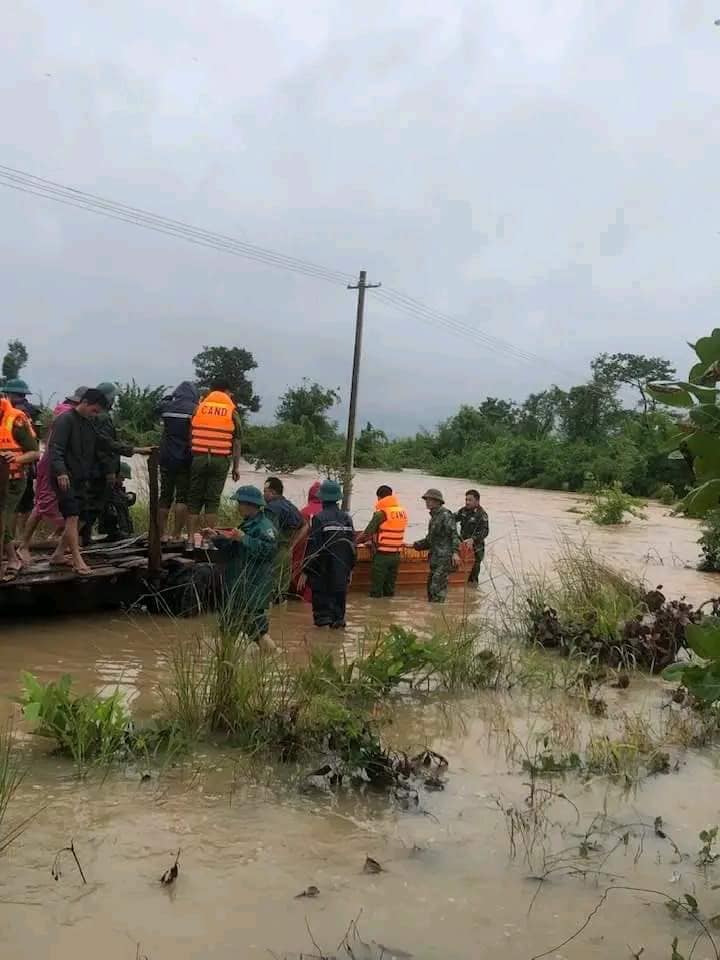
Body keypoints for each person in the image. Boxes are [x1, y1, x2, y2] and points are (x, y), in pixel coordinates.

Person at [48, 388, 151, 574]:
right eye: (94, 410)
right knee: (72, 517)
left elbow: (106, 443)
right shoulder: (65, 420)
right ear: (85, 403)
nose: (95, 414)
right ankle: (77, 559)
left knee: (81, 518)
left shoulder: (89, 424)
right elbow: (55, 449)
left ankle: (58, 554)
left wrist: (135, 450)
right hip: (64, 477)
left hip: (80, 478)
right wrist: (60, 471)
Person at [205, 485, 277, 654]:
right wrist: (216, 537)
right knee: (229, 627)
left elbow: (269, 551)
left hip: (250, 590)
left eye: (239, 503)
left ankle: (272, 658)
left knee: (257, 632)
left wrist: (244, 539)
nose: (237, 507)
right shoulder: (248, 525)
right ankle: (226, 661)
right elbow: (233, 548)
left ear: (248, 505)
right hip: (239, 588)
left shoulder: (264, 526)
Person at [17, 386, 88, 560]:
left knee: (58, 504)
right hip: (53, 464)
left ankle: (59, 543)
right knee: (44, 504)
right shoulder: (66, 414)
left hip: (60, 464)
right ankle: (24, 545)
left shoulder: (71, 415)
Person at [188, 379, 242, 541]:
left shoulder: (199, 407)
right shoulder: (231, 411)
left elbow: (191, 433)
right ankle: (208, 540)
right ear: (226, 391)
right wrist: (236, 467)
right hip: (220, 459)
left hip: (199, 457)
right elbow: (237, 442)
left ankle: (190, 539)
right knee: (212, 501)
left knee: (194, 499)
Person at [301, 479, 356, 629]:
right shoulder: (347, 519)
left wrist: (305, 570)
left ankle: (323, 648)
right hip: (341, 576)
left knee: (323, 619)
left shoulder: (319, 518)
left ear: (321, 498)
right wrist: (350, 570)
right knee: (338, 619)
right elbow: (352, 547)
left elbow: (314, 548)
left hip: (322, 576)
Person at [0, 391, 40, 579]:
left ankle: (12, 560)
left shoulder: (16, 419)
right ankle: (12, 557)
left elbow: (34, 453)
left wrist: (16, 457)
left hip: (13, 481)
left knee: (3, 521)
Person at [80, 381, 120, 546]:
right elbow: (104, 447)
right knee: (94, 505)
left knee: (93, 504)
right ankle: (79, 539)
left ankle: (84, 538)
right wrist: (110, 471)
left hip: (93, 467)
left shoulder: (94, 416)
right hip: (99, 470)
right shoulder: (102, 418)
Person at [158, 381, 198, 539]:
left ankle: (161, 534)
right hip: (186, 457)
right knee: (182, 497)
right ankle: (175, 535)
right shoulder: (195, 410)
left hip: (166, 457)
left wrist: (167, 399)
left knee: (165, 496)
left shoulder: (167, 408)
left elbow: (155, 408)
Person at [3, 378, 41, 538]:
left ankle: (12, 544)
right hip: (24, 469)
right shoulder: (30, 411)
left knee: (10, 510)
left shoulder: (15, 415)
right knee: (23, 506)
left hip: (14, 470)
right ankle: (18, 541)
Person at [357, 484, 408, 598]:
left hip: (382, 556)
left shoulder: (381, 514)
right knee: (389, 590)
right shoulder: (402, 512)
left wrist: (354, 543)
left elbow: (367, 533)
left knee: (376, 591)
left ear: (379, 498)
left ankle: (377, 612)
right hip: (396, 555)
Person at [411, 488, 461, 603]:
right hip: (435, 559)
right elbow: (430, 540)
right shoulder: (433, 518)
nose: (427, 502)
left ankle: (438, 614)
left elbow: (454, 535)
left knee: (437, 589)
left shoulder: (445, 515)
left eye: (430, 500)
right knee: (430, 589)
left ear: (438, 501)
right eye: (426, 500)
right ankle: (434, 616)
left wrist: (455, 553)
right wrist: (415, 545)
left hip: (444, 559)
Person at [263, 477, 308, 602]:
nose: (263, 494)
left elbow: (267, 533)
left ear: (272, 492)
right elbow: (305, 525)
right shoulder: (290, 506)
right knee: (281, 592)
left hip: (274, 553)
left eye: (265, 491)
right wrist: (293, 545)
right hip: (287, 553)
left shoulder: (271, 508)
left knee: (270, 591)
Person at [290, 480, 322, 603]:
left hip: (303, 559)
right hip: (323, 562)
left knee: (304, 594)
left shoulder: (304, 512)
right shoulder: (328, 512)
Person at [455, 489, 489, 586]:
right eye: (466, 500)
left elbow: (485, 531)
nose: (467, 502)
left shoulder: (482, 514)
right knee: (459, 571)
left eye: (470, 500)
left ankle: (473, 594)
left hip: (476, 548)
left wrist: (473, 539)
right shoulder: (463, 511)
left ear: (477, 501)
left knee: (472, 576)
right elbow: (452, 518)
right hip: (462, 546)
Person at [98, 461, 136, 542]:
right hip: (115, 530)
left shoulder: (117, 489)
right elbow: (118, 502)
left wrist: (131, 496)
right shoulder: (107, 490)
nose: (122, 481)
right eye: (121, 478)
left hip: (123, 530)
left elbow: (126, 502)